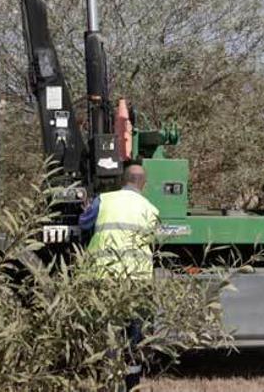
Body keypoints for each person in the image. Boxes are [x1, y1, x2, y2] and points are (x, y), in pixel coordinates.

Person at [80, 164, 159, 391]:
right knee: (134, 336)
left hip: (105, 277)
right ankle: (131, 384)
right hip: (138, 282)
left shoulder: (104, 200)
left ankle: (108, 383)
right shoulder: (151, 209)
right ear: (143, 184)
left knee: (108, 332)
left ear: (122, 181)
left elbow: (84, 224)